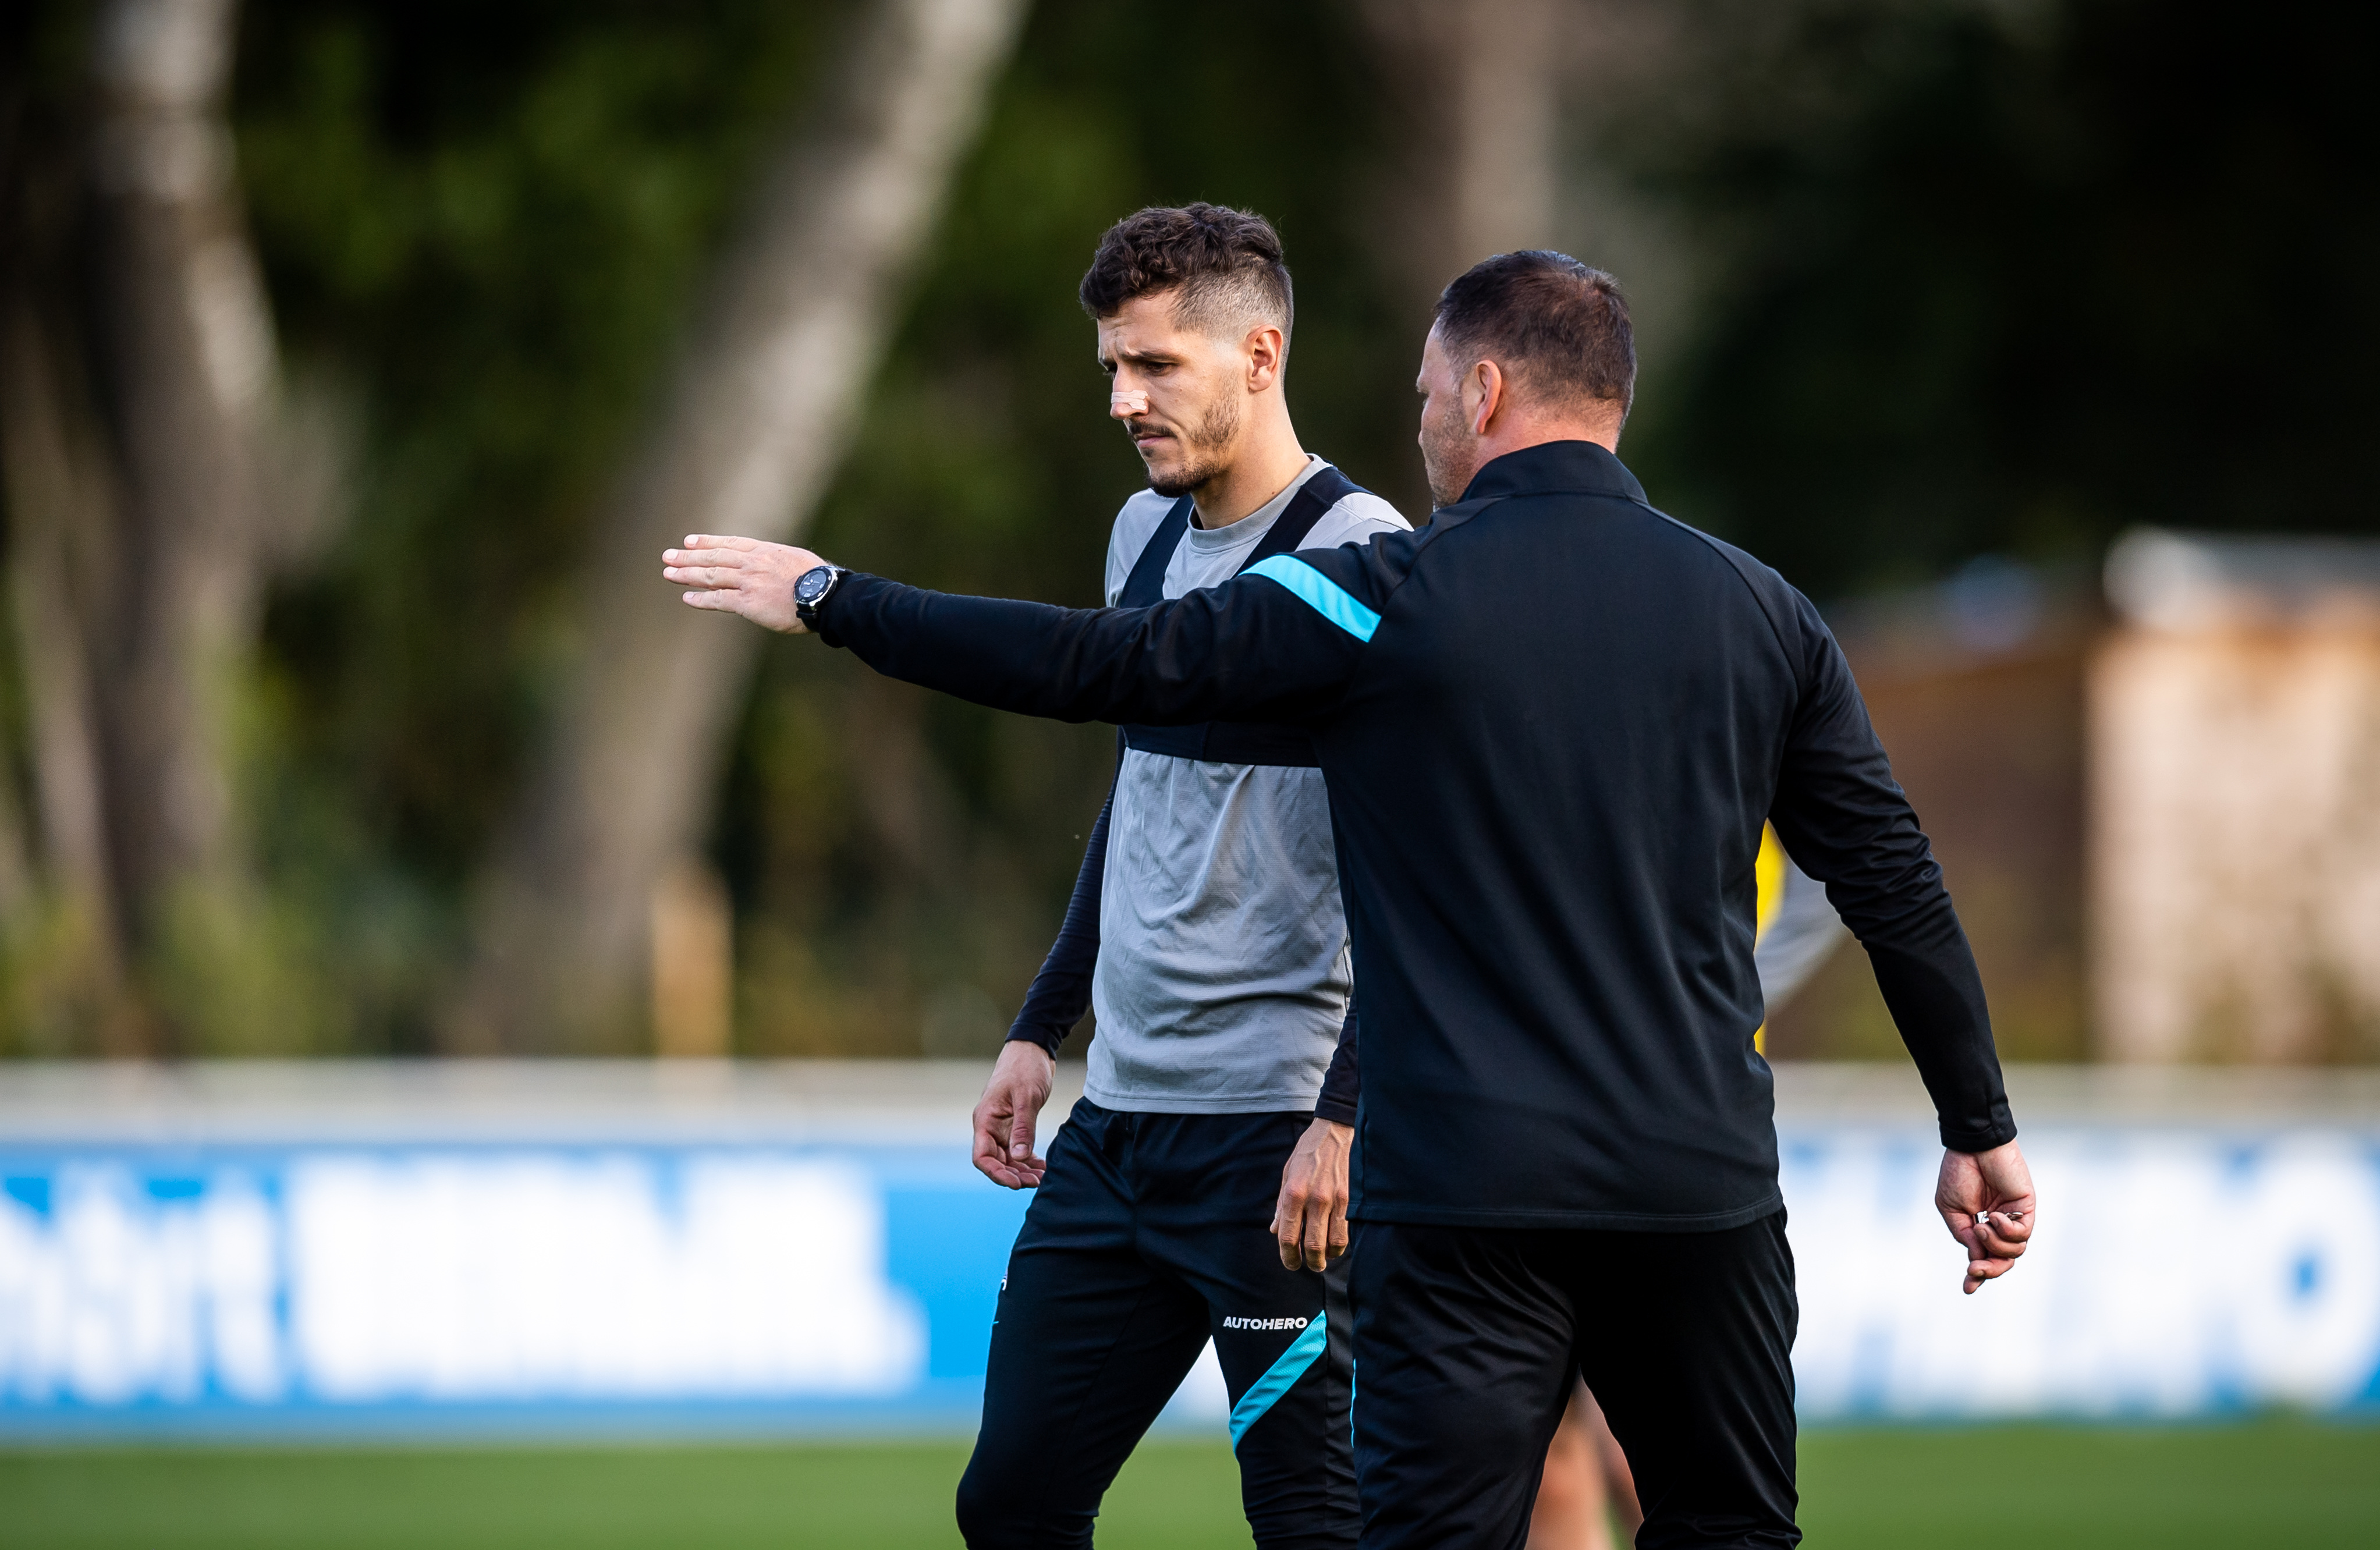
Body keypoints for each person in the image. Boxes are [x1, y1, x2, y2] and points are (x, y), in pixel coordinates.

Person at [663, 249, 2038, 1549]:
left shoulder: (1382, 594)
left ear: (1486, 392)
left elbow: (1098, 669)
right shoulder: (1762, 611)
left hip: (1461, 1202)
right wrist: (1975, 1121)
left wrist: (836, 598)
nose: (1425, 422)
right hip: (1697, 1192)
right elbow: (1890, 878)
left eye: (1431, 395)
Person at [896, 204, 1411, 1548]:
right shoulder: (1143, 537)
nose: (1124, 399)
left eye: (1155, 366)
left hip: (1274, 1143)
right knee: (1010, 1502)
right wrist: (1035, 1030)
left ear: (1260, 350)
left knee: (1311, 1518)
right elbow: (1143, 798)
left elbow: (1413, 872)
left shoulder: (1365, 554)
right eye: (1113, 368)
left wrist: (1345, 1116)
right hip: (1116, 1132)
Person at [1528, 827, 1844, 1550]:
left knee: (1659, 1462)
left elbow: (1847, 861)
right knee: (1555, 1457)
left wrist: (1723, 992)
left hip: (1683, 1125)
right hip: (1550, 1106)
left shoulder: (1733, 721)